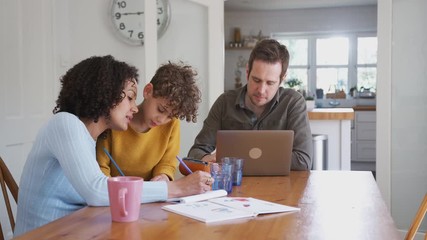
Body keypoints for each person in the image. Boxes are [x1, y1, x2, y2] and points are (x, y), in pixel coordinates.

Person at [14, 55, 212, 236]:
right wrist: (176, 188)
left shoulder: (88, 139)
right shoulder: (65, 124)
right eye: (129, 98)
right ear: (106, 93)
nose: (134, 107)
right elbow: (96, 190)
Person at [188, 39, 313, 170]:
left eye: (270, 83)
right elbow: (196, 152)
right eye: (256, 80)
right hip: (234, 187)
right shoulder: (225, 103)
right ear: (247, 72)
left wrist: (235, 160)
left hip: (281, 187)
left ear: (282, 79)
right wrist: (205, 159)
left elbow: (303, 161)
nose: (261, 90)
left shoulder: (293, 103)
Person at [96, 61, 201, 181]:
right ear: (148, 91)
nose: (162, 120)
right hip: (115, 191)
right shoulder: (116, 120)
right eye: (161, 109)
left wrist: (163, 176)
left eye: (170, 116)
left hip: (151, 194)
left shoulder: (172, 124)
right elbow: (101, 166)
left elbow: (167, 163)